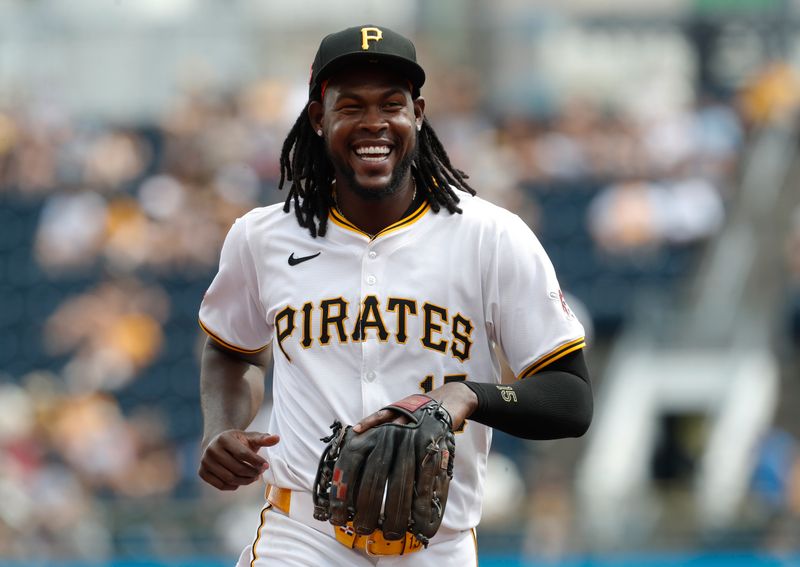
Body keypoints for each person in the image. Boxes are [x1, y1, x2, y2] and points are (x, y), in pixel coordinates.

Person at [197, 24, 593, 566]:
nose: (374, 123)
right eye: (351, 106)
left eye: (392, 103)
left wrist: (470, 396)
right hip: (304, 536)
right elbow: (230, 351)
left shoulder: (490, 237)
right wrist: (221, 428)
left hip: (438, 543)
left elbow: (571, 398)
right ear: (319, 118)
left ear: (419, 113)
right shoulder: (262, 238)